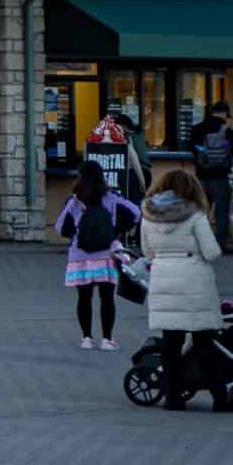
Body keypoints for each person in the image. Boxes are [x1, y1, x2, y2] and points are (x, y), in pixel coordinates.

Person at [137, 166, 223, 409]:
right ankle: (219, 397)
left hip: (163, 279)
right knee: (204, 342)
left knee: (171, 343)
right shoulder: (195, 215)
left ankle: (173, 397)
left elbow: (147, 252)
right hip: (195, 281)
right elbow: (212, 252)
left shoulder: (149, 215)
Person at [54, 159, 138, 350]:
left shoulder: (74, 201)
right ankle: (107, 339)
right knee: (107, 297)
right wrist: (116, 231)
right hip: (106, 255)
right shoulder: (111, 198)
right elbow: (135, 213)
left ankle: (86, 338)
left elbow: (61, 228)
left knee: (84, 298)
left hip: (80, 256)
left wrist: (76, 234)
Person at [192, 100, 233, 250]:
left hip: (201, 176)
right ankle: (219, 244)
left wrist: (203, 156)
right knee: (221, 213)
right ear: (223, 113)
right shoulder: (227, 131)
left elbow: (192, 148)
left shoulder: (197, 128)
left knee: (200, 212)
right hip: (220, 177)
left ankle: (198, 243)